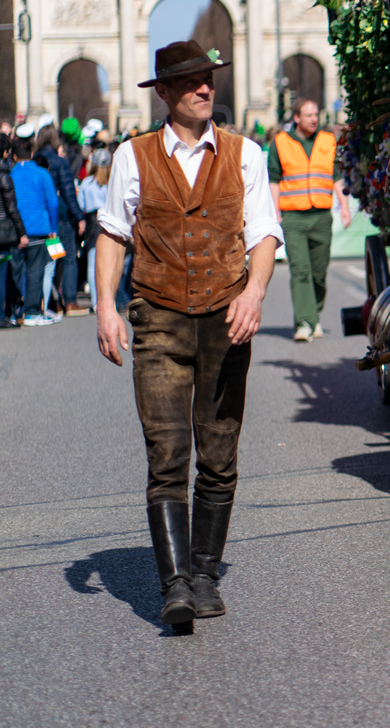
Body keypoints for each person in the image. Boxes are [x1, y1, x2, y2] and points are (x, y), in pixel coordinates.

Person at [94, 41, 283, 627]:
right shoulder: (133, 156)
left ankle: (205, 573)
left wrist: (253, 294)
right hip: (159, 318)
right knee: (168, 451)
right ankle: (174, 583)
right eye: (193, 81)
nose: (206, 88)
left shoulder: (246, 154)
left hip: (226, 321)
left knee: (220, 453)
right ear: (168, 94)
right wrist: (106, 305)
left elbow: (264, 236)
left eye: (209, 79)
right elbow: (111, 233)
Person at [269, 98, 350, 341]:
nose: (314, 119)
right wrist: (275, 213)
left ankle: (313, 316)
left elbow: (336, 176)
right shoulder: (280, 143)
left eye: (316, 114)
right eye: (308, 115)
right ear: (296, 118)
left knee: (318, 273)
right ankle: (304, 323)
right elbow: (273, 179)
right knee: (300, 270)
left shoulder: (328, 140)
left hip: (321, 216)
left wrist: (344, 207)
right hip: (293, 217)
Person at [34, 124, 87, 316]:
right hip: (61, 217)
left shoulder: (34, 160)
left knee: (48, 262)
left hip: (40, 218)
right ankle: (70, 301)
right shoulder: (59, 161)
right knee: (69, 259)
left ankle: (52, 301)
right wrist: (79, 216)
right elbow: (68, 192)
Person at [10, 135, 58, 327]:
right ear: (31, 154)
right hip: (39, 228)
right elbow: (52, 202)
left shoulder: (10, 175)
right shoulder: (42, 174)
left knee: (15, 272)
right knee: (35, 271)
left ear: (13, 157)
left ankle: (14, 311)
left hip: (15, 231)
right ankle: (32, 311)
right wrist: (54, 227)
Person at [78, 150, 111, 311]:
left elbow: (80, 205)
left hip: (92, 223)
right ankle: (110, 299)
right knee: (109, 263)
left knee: (92, 264)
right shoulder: (112, 184)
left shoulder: (86, 183)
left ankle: (95, 301)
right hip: (108, 223)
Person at [0, 135, 25, 329]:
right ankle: (2, 315)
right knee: (2, 275)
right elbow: (11, 208)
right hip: (3, 233)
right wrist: (21, 232)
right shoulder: (4, 175)